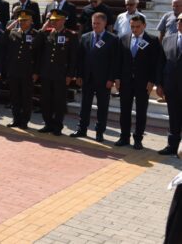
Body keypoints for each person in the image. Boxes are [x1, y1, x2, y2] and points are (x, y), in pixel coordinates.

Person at [114, 14, 159, 150]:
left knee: (141, 112)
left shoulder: (152, 40)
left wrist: (152, 81)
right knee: (125, 111)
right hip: (126, 82)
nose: (134, 29)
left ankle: (138, 139)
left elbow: (155, 63)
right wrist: (117, 78)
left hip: (143, 83)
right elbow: (118, 61)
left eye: (137, 27)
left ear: (144, 26)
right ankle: (124, 137)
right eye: (132, 27)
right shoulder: (123, 39)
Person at [72, 13, 118, 142]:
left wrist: (111, 79)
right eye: (93, 23)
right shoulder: (86, 37)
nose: (95, 25)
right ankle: (82, 129)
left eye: (98, 23)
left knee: (102, 107)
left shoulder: (112, 39)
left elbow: (114, 61)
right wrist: (79, 75)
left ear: (104, 23)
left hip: (104, 80)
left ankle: (99, 132)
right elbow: (80, 58)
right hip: (87, 78)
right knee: (84, 105)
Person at [35, 9, 77, 136]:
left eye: (56, 20)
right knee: (45, 100)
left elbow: (73, 57)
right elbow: (36, 47)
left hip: (61, 74)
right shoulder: (46, 33)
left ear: (64, 20)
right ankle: (48, 124)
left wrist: (70, 74)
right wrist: (43, 29)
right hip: (47, 73)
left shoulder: (71, 35)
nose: (53, 22)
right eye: (51, 20)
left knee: (59, 101)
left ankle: (57, 126)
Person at [3, 10, 39, 128]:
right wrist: (12, 25)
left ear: (31, 21)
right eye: (21, 20)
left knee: (26, 98)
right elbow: (3, 40)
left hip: (27, 71)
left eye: (25, 20)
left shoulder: (36, 34)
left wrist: (35, 72)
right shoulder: (13, 32)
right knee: (15, 97)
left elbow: (39, 55)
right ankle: (16, 119)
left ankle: (24, 121)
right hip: (14, 70)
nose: (23, 22)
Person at [157, 14, 182, 156]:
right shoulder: (167, 39)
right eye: (178, 19)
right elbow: (161, 63)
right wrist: (159, 84)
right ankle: (172, 146)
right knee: (173, 117)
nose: (179, 22)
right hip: (171, 87)